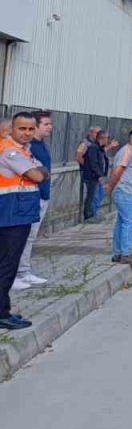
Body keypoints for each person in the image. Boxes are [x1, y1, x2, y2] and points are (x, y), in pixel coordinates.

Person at [0, 113, 47, 330]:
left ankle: (5, 309)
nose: (27, 133)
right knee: (7, 265)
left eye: (30, 129)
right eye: (22, 129)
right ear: (12, 129)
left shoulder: (24, 151)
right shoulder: (9, 151)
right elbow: (38, 175)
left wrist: (39, 171)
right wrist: (38, 172)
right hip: (11, 214)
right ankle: (1, 314)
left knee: (9, 263)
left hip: (19, 212)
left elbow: (42, 169)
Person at [13, 111, 53, 290]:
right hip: (30, 197)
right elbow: (35, 172)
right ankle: (17, 273)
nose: (50, 127)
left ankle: (24, 271)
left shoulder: (41, 145)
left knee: (29, 238)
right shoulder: (29, 148)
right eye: (46, 124)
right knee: (22, 237)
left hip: (42, 196)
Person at [103, 128, 132, 264]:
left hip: (127, 191)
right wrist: (110, 185)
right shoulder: (127, 151)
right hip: (125, 191)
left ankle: (118, 253)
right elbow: (118, 170)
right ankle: (125, 254)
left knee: (121, 222)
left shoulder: (131, 152)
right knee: (129, 222)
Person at [83, 131, 110, 221]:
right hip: (93, 177)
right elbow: (93, 163)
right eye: (107, 138)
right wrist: (99, 175)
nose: (108, 140)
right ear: (102, 138)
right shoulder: (93, 148)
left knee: (99, 195)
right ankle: (90, 216)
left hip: (99, 176)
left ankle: (94, 213)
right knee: (93, 196)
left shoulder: (100, 148)